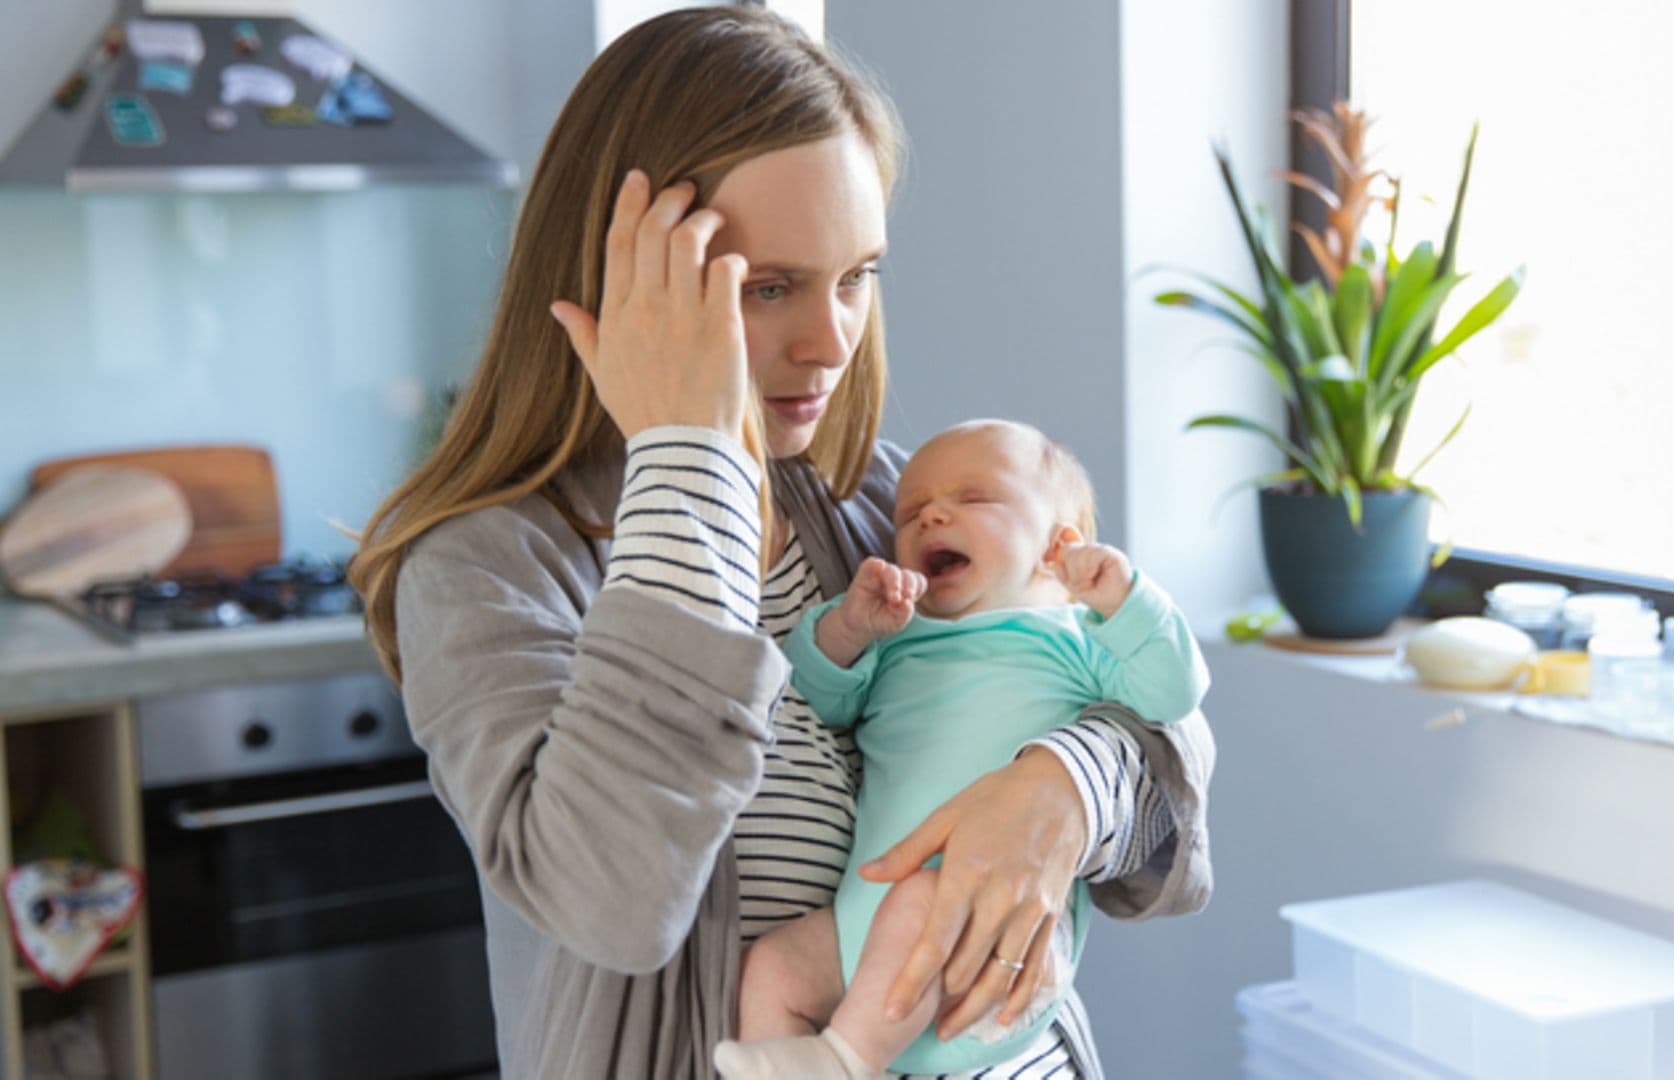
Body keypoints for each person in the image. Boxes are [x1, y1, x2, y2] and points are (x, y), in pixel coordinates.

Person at [345, 8, 1215, 1078]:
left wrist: (1063, 791)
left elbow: (1173, 789)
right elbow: (615, 902)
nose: (832, 339)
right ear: (623, 290)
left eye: (858, 275)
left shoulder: (888, 508)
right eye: (768, 287)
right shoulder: (488, 572)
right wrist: (686, 460)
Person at [713, 420, 1209, 1079]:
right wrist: (848, 629)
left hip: (979, 937)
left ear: (1059, 545)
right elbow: (818, 699)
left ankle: (842, 1059)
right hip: (857, 935)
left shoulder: (1077, 638)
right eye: (910, 513)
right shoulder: (900, 637)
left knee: (926, 897)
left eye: (974, 500)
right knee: (773, 970)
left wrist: (1126, 600)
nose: (931, 515)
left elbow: (1173, 697)